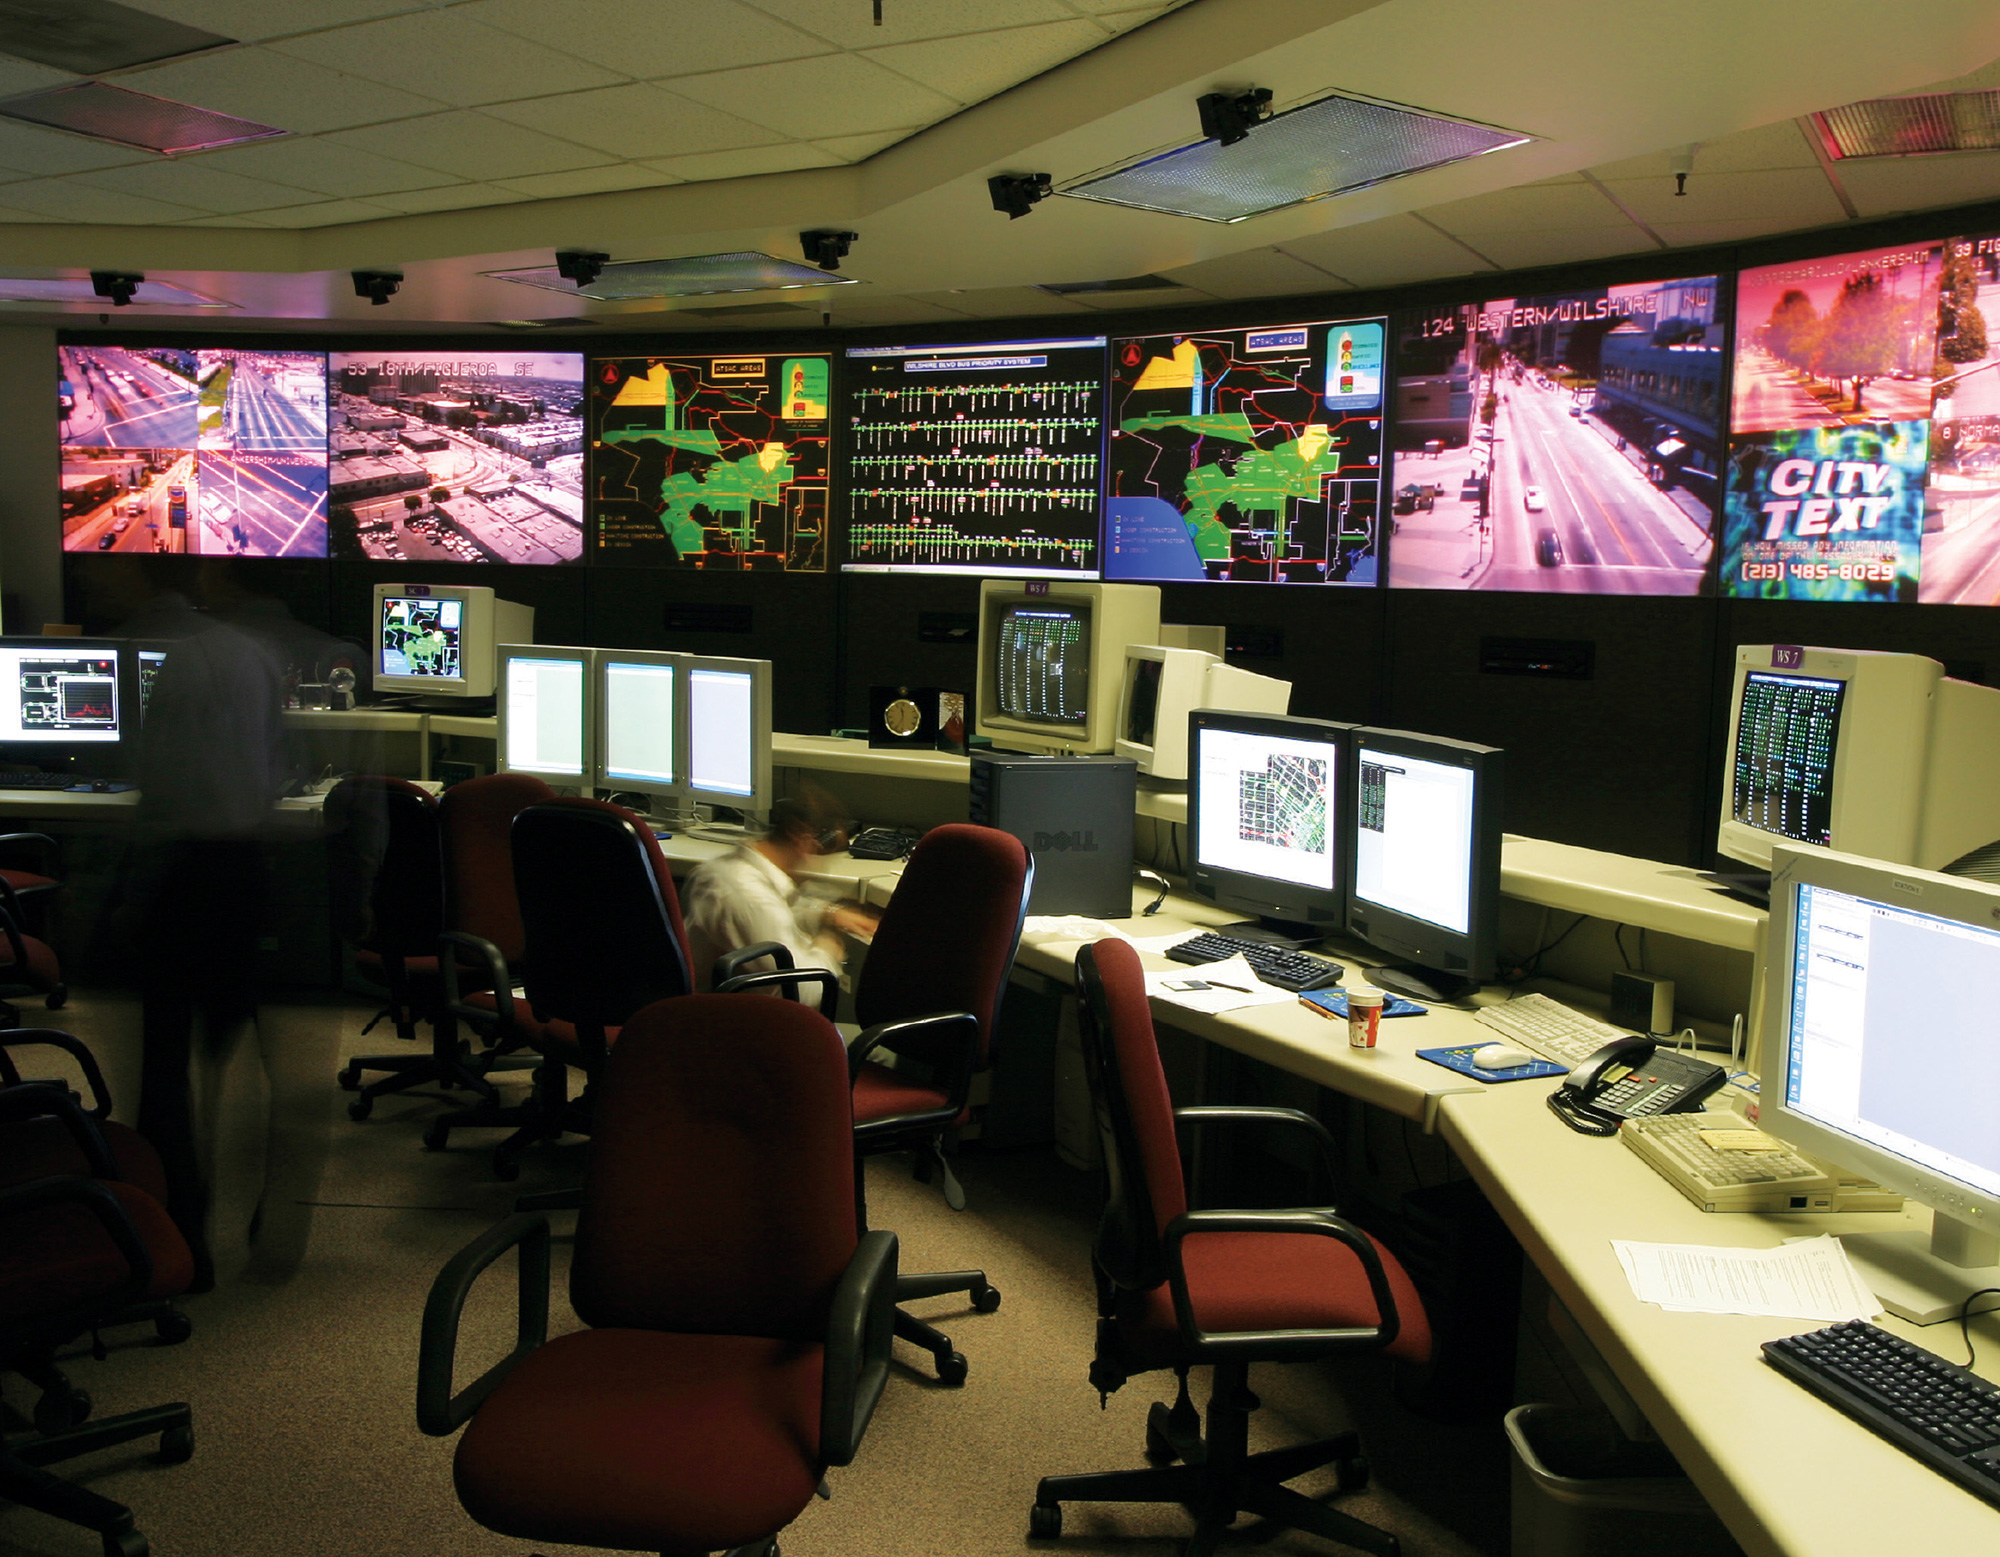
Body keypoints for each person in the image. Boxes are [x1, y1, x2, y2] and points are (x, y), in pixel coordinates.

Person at [683, 797, 880, 990]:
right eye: (825, 851)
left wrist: (827, 914)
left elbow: (781, 912)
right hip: (729, 1017)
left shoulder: (740, 871)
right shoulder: (745, 894)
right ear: (803, 840)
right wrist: (828, 945)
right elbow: (802, 993)